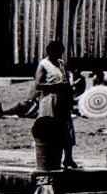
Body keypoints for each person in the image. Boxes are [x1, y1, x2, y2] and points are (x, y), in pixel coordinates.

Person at [33, 40, 78, 168]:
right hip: (50, 100)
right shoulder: (43, 64)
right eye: (57, 53)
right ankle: (50, 157)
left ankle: (68, 158)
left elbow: (65, 80)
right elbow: (37, 85)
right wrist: (54, 86)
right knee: (52, 128)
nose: (59, 56)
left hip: (62, 99)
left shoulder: (61, 63)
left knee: (67, 127)